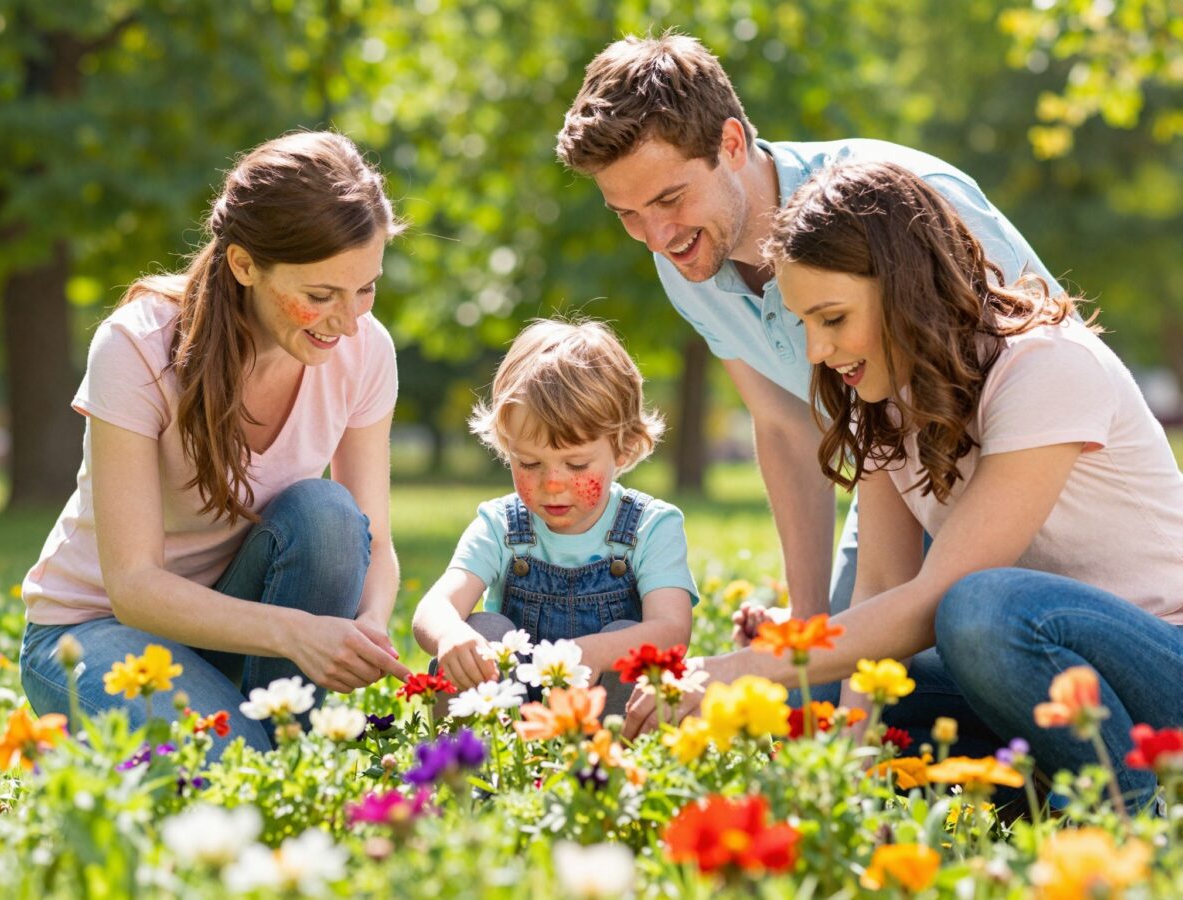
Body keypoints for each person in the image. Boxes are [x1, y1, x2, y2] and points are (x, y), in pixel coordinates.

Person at [636, 160, 1183, 809]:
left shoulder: (1046, 367)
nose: (815, 350)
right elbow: (882, 590)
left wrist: (736, 669)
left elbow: (935, 597)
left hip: (1159, 668)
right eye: (804, 321)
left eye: (833, 318)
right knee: (806, 695)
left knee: (978, 611)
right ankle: (1012, 796)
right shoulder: (886, 399)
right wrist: (845, 777)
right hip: (1041, 670)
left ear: (905, 290)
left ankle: (1131, 814)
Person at [556, 33, 1061, 622]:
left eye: (670, 198)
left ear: (731, 142)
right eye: (628, 215)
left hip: (1026, 487)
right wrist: (807, 618)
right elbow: (784, 426)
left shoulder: (905, 202)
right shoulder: (684, 260)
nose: (658, 237)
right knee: (814, 683)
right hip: (897, 488)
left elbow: (1052, 358)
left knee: (967, 638)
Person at [19, 131, 413, 754]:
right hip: (95, 632)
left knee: (329, 515)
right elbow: (134, 585)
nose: (349, 320)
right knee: (241, 767)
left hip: (245, 624)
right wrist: (296, 634)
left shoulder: (364, 351)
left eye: (366, 287)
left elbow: (375, 540)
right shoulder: (137, 347)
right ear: (245, 265)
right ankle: (264, 746)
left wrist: (368, 624)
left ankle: (282, 743)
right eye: (320, 295)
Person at [412, 319, 697, 711]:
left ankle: (618, 760)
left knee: (633, 640)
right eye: (529, 462)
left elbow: (672, 631)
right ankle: (470, 757)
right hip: (511, 707)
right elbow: (435, 606)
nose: (552, 483)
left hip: (605, 713)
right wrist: (448, 634)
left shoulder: (650, 526)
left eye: (576, 464)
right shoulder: (501, 526)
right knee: (482, 629)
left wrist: (595, 651)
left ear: (624, 449)